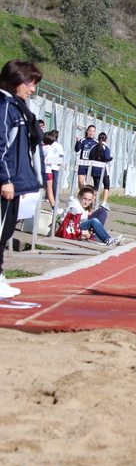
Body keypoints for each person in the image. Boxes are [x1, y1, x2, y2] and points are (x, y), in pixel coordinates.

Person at [0, 59, 45, 298]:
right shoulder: (4, 106)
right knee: (0, 231)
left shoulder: (17, 107)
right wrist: (5, 179)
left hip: (17, 181)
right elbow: (1, 146)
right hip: (7, 182)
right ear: (15, 80)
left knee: (6, 232)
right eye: (29, 82)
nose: (33, 88)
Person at [88, 132, 112, 208]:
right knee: (106, 185)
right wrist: (111, 158)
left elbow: (90, 157)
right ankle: (104, 202)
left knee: (96, 186)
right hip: (103, 169)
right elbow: (106, 157)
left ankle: (96, 202)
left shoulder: (94, 147)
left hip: (95, 169)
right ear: (106, 139)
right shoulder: (106, 148)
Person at [74, 125, 97, 189]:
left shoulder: (96, 142)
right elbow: (77, 149)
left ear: (95, 132)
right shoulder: (83, 140)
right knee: (81, 182)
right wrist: (77, 142)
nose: (91, 133)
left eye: (93, 131)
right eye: (90, 131)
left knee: (88, 184)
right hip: (82, 163)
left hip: (91, 164)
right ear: (87, 131)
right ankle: (81, 194)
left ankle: (87, 197)